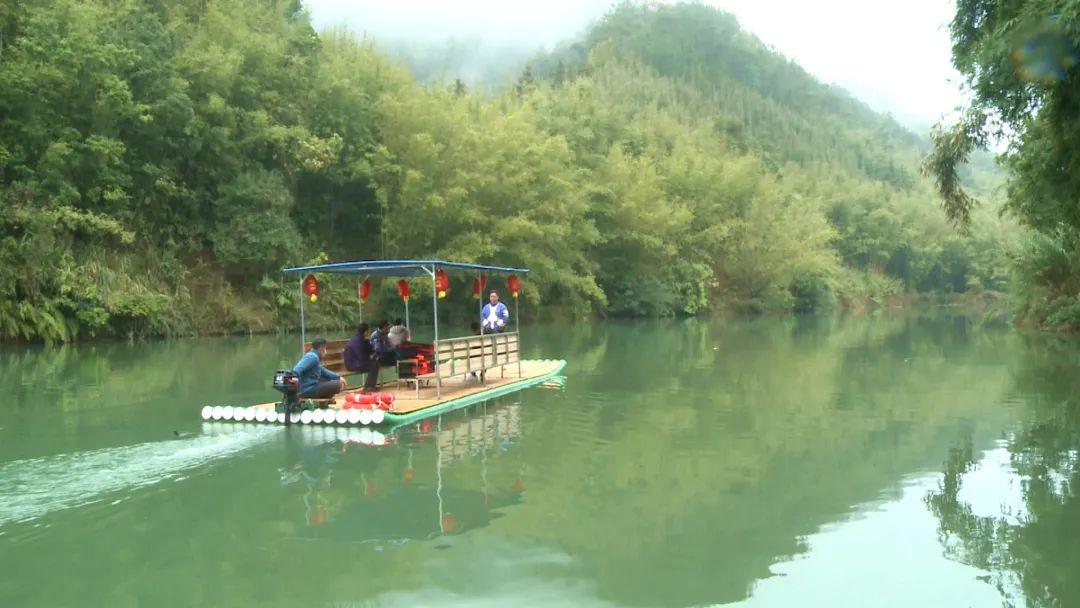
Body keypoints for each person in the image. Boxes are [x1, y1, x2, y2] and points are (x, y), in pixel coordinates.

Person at [344, 323, 379, 392]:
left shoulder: (357, 338)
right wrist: (372, 357)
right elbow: (362, 357)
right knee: (374, 364)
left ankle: (368, 386)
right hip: (354, 364)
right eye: (368, 331)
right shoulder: (361, 341)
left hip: (350, 364)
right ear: (365, 332)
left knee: (374, 363)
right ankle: (369, 387)